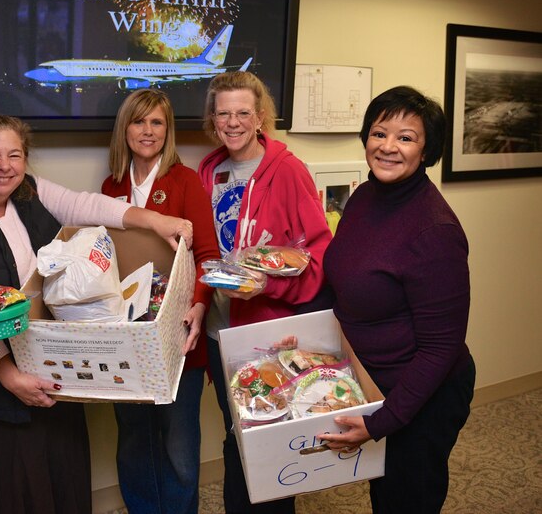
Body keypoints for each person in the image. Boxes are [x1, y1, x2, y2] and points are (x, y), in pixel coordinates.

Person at [0, 115, 193, 514]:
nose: (4, 166)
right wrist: (10, 377)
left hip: (50, 364)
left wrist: (156, 220)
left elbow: (87, 205)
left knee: (59, 474)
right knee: (12, 489)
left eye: (14, 155)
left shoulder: (29, 191)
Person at [318, 86, 476, 513]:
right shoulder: (366, 196)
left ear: (426, 151)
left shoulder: (435, 231)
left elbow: (440, 348)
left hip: (424, 396)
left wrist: (380, 422)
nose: (388, 146)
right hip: (377, 383)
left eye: (406, 137)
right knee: (384, 497)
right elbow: (346, 279)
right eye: (379, 133)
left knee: (406, 502)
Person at [197, 71, 333, 514]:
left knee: (268, 438)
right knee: (236, 431)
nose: (232, 122)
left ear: (260, 117)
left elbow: (317, 255)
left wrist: (265, 283)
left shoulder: (288, 171)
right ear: (212, 119)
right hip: (220, 331)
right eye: (223, 113)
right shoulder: (208, 169)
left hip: (269, 334)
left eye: (243, 112)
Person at [101, 89, 220, 514]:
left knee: (178, 443)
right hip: (127, 337)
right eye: (139, 122)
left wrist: (200, 305)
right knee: (133, 437)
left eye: (157, 123)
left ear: (167, 131)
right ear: (125, 129)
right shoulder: (111, 185)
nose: (147, 131)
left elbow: (208, 256)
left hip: (179, 333)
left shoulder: (184, 181)